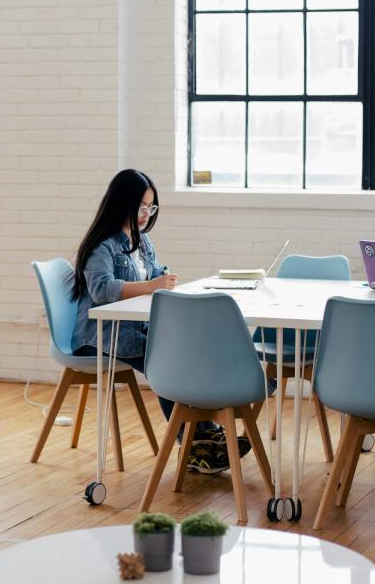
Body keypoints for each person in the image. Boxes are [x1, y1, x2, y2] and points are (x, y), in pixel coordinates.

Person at [70, 169, 247, 474]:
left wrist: (162, 280)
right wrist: (153, 286)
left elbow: (153, 276)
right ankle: (194, 443)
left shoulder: (143, 242)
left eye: (150, 208)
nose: (145, 214)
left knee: (184, 347)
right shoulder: (103, 245)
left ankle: (203, 436)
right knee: (168, 359)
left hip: (134, 329)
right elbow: (101, 290)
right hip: (101, 337)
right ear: (120, 202)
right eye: (141, 206)